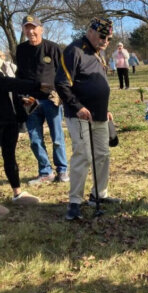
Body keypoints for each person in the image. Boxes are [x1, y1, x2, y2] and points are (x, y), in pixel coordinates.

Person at [55, 17, 121, 220]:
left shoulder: (98, 54)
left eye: (109, 38)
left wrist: (106, 108)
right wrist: (78, 107)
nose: (105, 41)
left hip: (100, 115)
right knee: (83, 155)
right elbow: (61, 83)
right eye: (103, 36)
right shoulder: (74, 50)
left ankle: (98, 194)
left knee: (103, 155)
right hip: (80, 116)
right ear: (90, 31)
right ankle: (74, 202)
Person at [16, 15, 69, 185]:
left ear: (41, 29)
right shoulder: (21, 49)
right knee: (35, 139)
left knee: (57, 137)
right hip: (30, 101)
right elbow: (20, 75)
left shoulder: (52, 48)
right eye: (27, 27)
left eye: (34, 27)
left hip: (50, 100)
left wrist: (60, 93)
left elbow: (63, 73)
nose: (30, 31)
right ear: (24, 30)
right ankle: (45, 172)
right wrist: (21, 95)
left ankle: (62, 170)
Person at [0, 56, 45, 215]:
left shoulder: (3, 70)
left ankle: (17, 194)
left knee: (10, 157)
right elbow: (8, 83)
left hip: (9, 121)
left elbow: (8, 91)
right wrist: (38, 85)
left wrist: (21, 100)